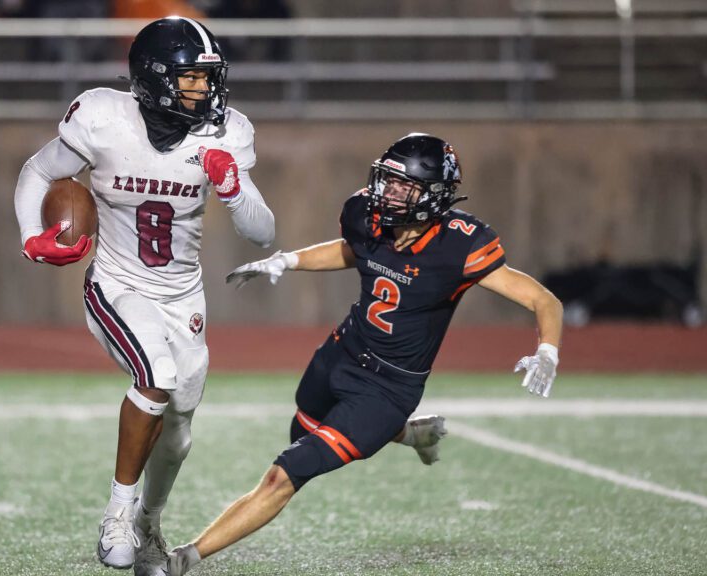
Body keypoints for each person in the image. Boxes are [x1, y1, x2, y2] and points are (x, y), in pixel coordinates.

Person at [166, 133, 564, 575]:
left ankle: (185, 558)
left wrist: (547, 350)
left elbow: (542, 299)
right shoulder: (366, 214)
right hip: (343, 350)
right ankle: (411, 436)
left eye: (403, 186)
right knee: (300, 427)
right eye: (388, 180)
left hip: (389, 388)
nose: (388, 192)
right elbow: (353, 251)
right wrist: (287, 261)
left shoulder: (460, 245)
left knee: (286, 472)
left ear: (433, 194)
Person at [13, 17, 275, 576]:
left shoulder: (225, 132)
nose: (205, 89)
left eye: (208, 77)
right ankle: (117, 515)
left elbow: (263, 232)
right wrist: (31, 236)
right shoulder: (103, 119)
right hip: (118, 282)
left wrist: (233, 188)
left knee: (178, 431)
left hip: (183, 295)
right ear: (155, 79)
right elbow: (37, 173)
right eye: (191, 78)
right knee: (156, 375)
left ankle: (149, 525)